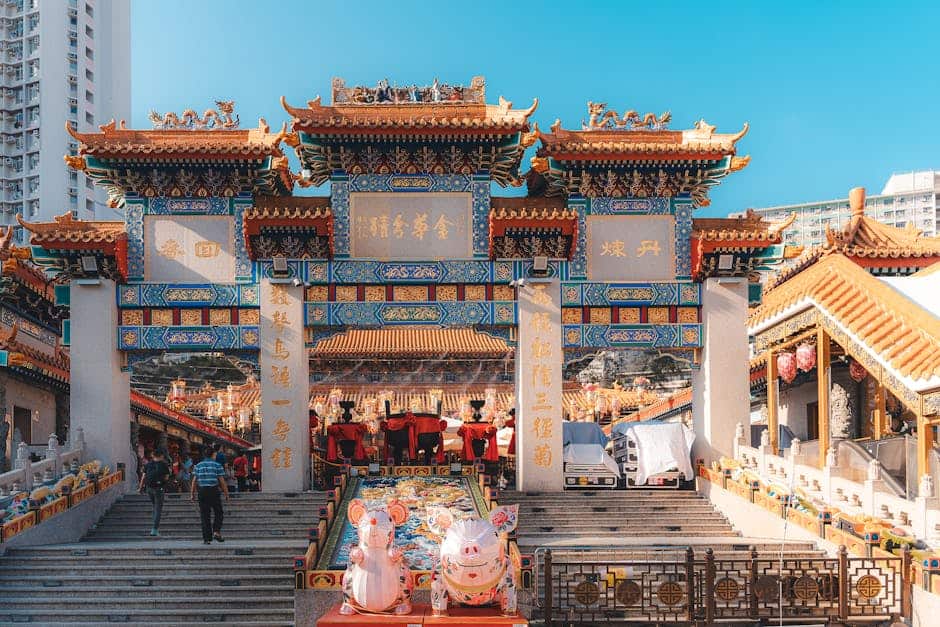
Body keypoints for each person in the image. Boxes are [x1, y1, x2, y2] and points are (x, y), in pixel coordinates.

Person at [191, 445, 228, 544]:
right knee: (218, 512)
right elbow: (221, 481)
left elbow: (194, 481)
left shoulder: (198, 465)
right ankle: (216, 531)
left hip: (202, 491)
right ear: (213, 454)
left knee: (205, 515)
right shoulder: (217, 465)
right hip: (213, 490)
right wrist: (226, 493)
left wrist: (192, 493)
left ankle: (207, 539)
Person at [138, 449, 170, 537]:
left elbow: (143, 477)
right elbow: (167, 477)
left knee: (154, 507)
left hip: (149, 488)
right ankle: (154, 530)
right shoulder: (164, 465)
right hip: (159, 488)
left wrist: (140, 488)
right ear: (161, 456)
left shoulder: (148, 464)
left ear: (153, 455)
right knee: (158, 509)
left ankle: (154, 526)